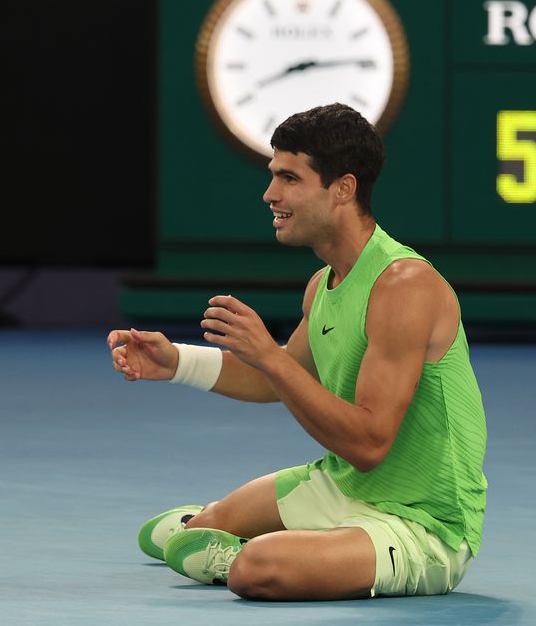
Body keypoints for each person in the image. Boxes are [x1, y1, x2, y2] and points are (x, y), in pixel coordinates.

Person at [107, 102, 487, 601]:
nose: (270, 194)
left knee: (255, 569)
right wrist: (177, 362)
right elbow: (277, 377)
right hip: (344, 486)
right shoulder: (322, 284)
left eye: (289, 178)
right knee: (203, 526)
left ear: (343, 189)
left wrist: (269, 354)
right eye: (274, 176)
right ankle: (252, 537)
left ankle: (261, 552)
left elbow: (369, 445)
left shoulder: (404, 284)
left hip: (422, 523)